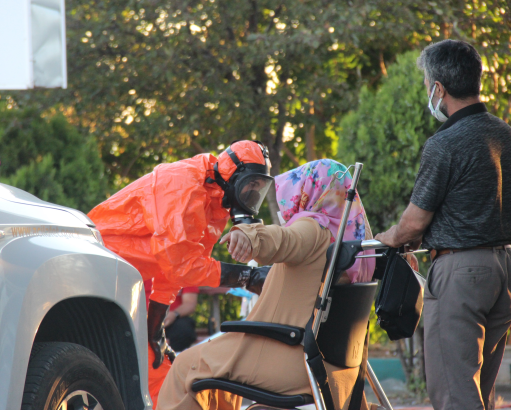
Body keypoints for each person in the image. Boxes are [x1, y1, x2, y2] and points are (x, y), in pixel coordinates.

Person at [374, 40, 511, 410]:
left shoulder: (445, 143)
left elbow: (414, 222)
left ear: (439, 88)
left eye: (429, 84)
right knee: (479, 393)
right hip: (505, 270)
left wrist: (385, 238)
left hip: (462, 274)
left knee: (454, 394)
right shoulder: (506, 134)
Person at [156, 159, 376, 410]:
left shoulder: (314, 228)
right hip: (336, 369)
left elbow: (283, 238)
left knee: (185, 365)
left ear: (312, 189)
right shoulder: (356, 243)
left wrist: (247, 235)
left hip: (287, 358)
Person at [88, 140, 274, 405]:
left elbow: (177, 273)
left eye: (259, 188)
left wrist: (155, 329)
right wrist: (249, 277)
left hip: (124, 280)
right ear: (235, 174)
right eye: (251, 185)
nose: (253, 195)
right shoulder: (181, 183)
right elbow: (181, 264)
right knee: (102, 371)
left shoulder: (217, 203)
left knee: (158, 369)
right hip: (96, 272)